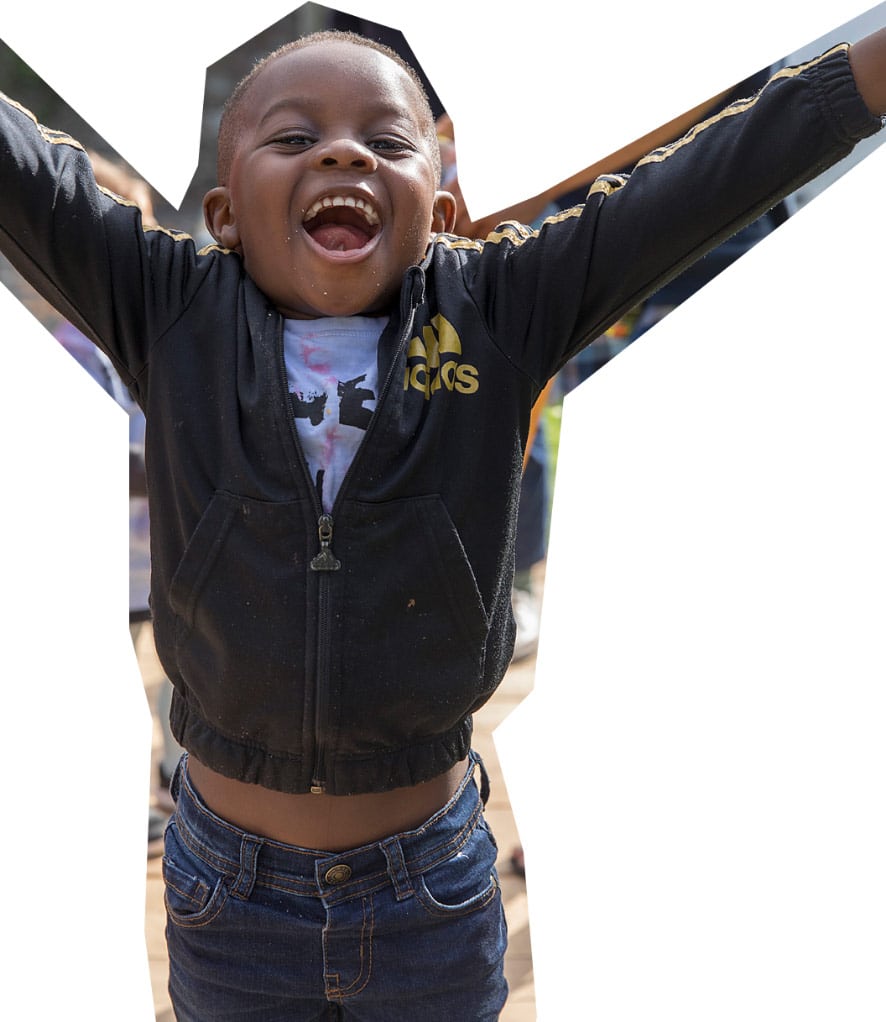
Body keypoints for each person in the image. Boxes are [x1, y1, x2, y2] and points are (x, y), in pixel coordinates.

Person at [1, 27, 885, 1020]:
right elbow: (22, 170)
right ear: (223, 215)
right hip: (228, 898)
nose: (344, 153)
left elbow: (709, 176)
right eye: (294, 139)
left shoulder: (501, 307)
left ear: (445, 208)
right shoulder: (164, 307)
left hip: (429, 896)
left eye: (386, 139)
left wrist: (865, 75)